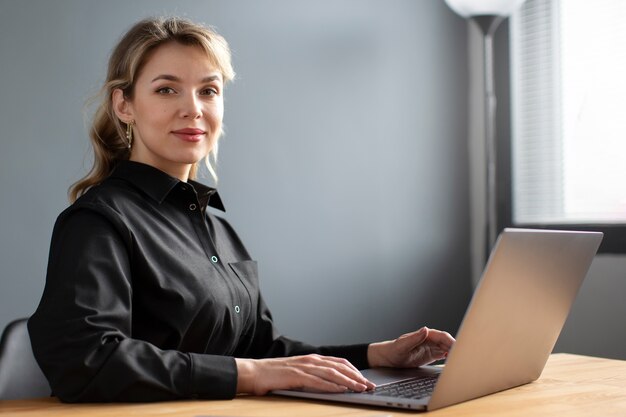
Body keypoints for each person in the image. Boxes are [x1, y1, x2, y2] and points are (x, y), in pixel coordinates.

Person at [28, 16, 455, 403]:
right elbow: (84, 360)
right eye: (166, 89)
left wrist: (375, 354)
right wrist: (248, 374)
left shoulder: (216, 229)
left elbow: (262, 354)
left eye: (208, 90)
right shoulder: (99, 221)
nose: (193, 108)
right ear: (125, 106)